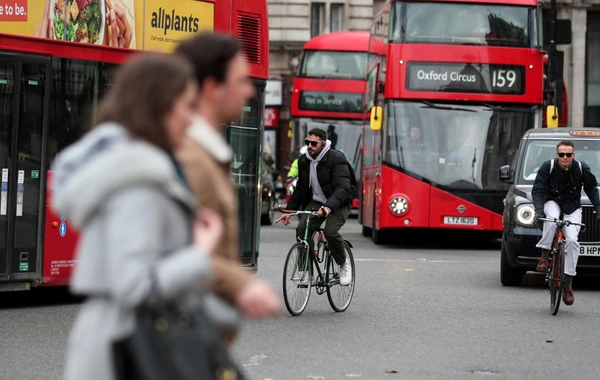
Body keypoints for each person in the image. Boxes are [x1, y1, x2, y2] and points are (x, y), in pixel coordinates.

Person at [53, 54, 223, 380]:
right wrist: (200, 253)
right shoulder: (138, 178)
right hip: (130, 351)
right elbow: (134, 286)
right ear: (158, 105)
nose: (193, 119)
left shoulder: (134, 168)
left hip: (123, 343)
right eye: (188, 105)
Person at [174, 33, 280, 322]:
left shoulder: (206, 154)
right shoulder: (190, 160)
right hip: (175, 339)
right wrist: (244, 285)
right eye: (241, 81)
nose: (249, 91)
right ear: (212, 88)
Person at [275, 128, 353, 285]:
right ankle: (306, 270)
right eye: (307, 142)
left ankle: (344, 263)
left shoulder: (336, 158)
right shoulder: (304, 161)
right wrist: (290, 211)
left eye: (313, 143)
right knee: (301, 229)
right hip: (317, 202)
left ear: (323, 144)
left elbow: (343, 188)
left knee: (330, 232)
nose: (309, 146)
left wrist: (328, 208)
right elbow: (301, 190)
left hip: (339, 202)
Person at [532, 140, 600, 306]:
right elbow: (538, 190)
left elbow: (591, 188)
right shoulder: (547, 167)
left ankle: (568, 284)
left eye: (568, 154)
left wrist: (598, 208)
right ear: (557, 155)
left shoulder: (581, 168)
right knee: (552, 219)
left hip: (572, 206)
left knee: (571, 241)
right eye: (561, 154)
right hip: (552, 201)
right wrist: (539, 210)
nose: (565, 157)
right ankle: (544, 258)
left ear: (573, 155)